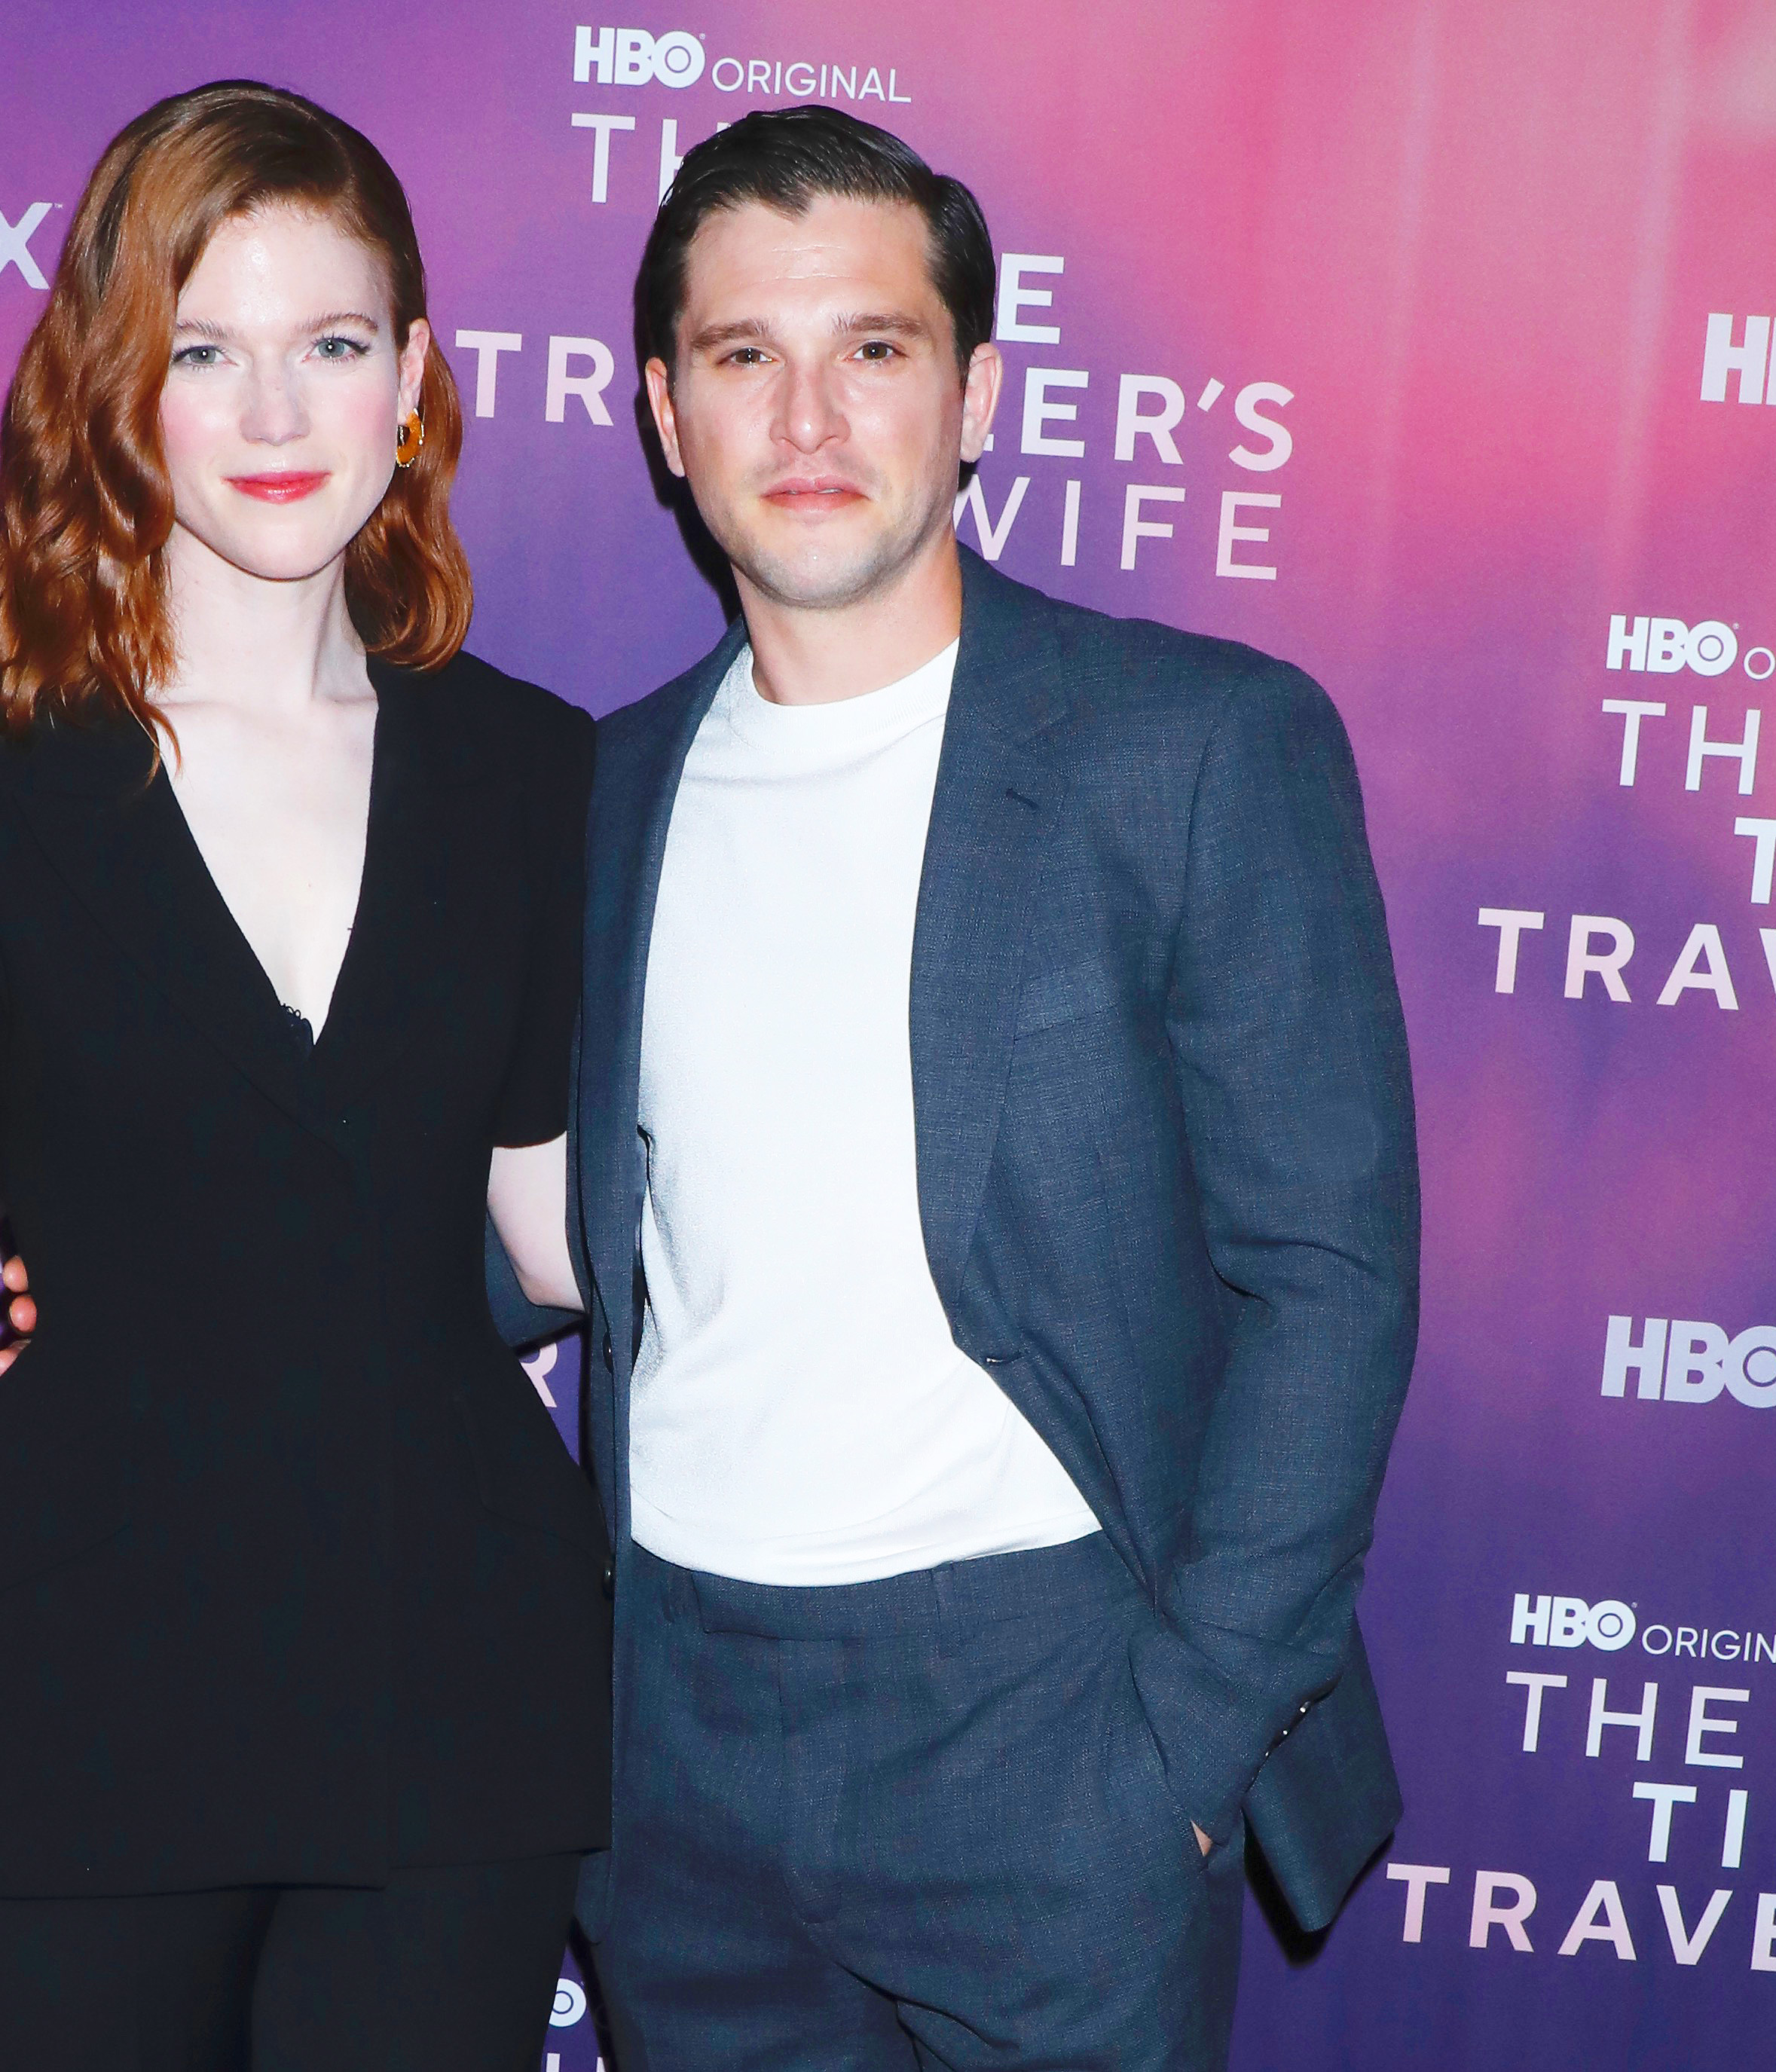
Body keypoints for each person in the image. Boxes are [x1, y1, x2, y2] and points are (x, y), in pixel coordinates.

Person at [545, 108, 1422, 2070]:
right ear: (662, 417)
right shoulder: (592, 799)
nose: (805, 414)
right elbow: (533, 1222)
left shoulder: (1189, 749)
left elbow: (1329, 1279)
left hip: (1047, 1726)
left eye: (871, 347)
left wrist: (1175, 1754)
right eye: (740, 356)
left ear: (975, 396)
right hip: (669, 1734)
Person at [0, 81, 608, 2071]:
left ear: (409, 381)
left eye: (329, 348)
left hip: (450, 1684)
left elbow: (553, 1235)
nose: (269, 417)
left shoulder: (533, 776)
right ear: (114, 389)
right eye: (202, 355)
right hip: (73, 1672)